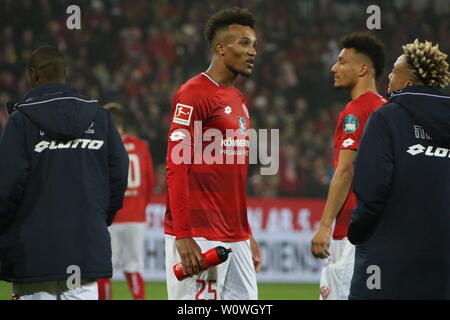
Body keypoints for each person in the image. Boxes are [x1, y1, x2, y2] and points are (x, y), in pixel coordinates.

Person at [0, 46, 129, 300]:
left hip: (33, 253)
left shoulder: (21, 121)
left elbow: (6, 186)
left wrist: (7, 230)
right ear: (65, 73)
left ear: (33, 74)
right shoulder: (99, 117)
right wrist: (98, 219)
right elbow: (119, 174)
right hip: (84, 249)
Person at [164, 7, 261, 300]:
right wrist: (183, 234)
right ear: (220, 47)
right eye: (244, 43)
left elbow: (230, 177)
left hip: (236, 236)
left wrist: (247, 233)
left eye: (254, 44)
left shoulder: (237, 98)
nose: (252, 51)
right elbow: (175, 166)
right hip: (200, 233)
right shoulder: (194, 93)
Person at [348, 39, 450, 299]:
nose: (389, 76)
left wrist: (357, 230)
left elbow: (371, 187)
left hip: (389, 266)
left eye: (395, 71)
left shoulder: (386, 118)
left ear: (407, 83)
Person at [310, 33, 387, 300]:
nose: (334, 67)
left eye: (342, 62)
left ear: (363, 68)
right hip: (379, 234)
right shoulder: (388, 110)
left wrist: (324, 225)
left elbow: (345, 171)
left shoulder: (355, 111)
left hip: (350, 231)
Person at [97, 102, 154, 300]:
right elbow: (149, 182)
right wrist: (139, 208)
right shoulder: (141, 146)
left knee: (104, 269)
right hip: (136, 217)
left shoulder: (103, 147)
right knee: (134, 267)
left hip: (112, 218)